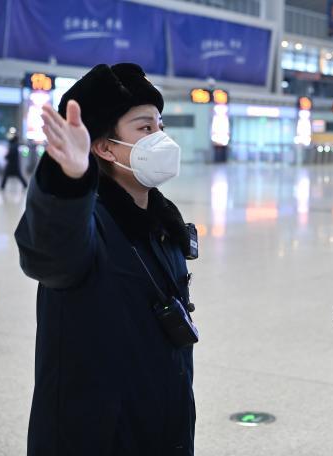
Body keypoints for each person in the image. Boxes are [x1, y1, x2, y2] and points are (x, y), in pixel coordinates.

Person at [15, 63, 197, 455]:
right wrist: (68, 179)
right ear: (104, 147)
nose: (161, 138)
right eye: (144, 128)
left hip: (164, 428)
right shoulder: (90, 225)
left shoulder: (162, 226)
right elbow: (49, 254)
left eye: (160, 126)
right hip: (95, 437)